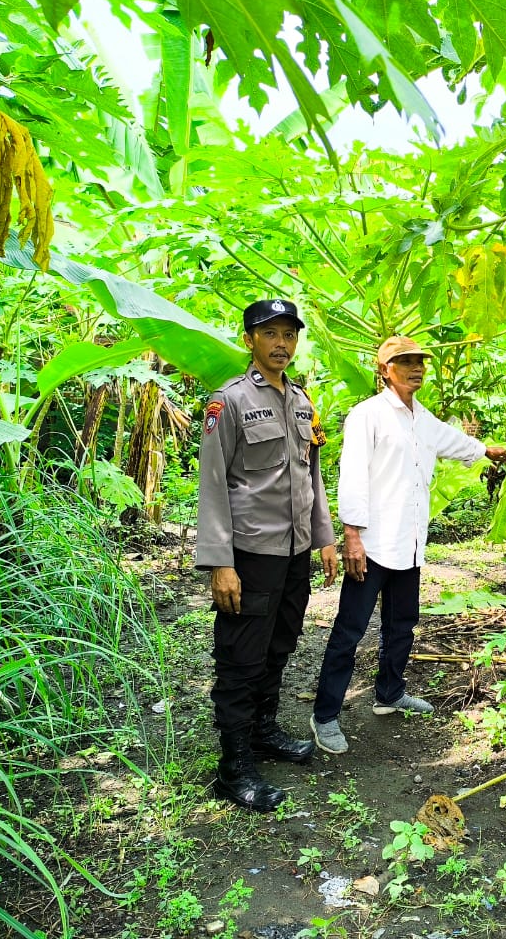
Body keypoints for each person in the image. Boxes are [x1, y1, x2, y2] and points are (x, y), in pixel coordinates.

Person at [309, 336, 506, 754]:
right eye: (404, 362)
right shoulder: (369, 416)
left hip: (410, 541)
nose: (415, 368)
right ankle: (325, 715)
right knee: (350, 630)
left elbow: (453, 441)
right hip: (374, 543)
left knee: (402, 625)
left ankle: (390, 694)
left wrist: (485, 451)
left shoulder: (422, 418)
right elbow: (354, 477)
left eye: (419, 361)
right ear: (384, 370)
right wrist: (352, 538)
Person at [196, 298, 339, 811]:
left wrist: (324, 537)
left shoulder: (301, 402)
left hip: (295, 551)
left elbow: (311, 476)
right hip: (251, 553)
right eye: (270, 334)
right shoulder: (229, 402)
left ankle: (262, 731)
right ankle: (234, 769)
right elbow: (212, 485)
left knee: (279, 646)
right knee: (241, 658)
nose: (282, 344)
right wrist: (221, 562)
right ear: (249, 339)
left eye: (289, 334)